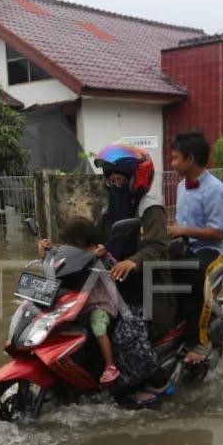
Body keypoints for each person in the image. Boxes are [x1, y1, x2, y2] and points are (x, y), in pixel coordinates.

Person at [92, 143, 177, 405]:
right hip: (113, 285)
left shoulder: (150, 209)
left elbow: (158, 247)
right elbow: (93, 239)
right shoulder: (108, 211)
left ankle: (160, 381)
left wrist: (133, 262)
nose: (115, 184)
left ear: (135, 180)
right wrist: (57, 249)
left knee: (125, 332)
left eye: (121, 180)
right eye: (111, 179)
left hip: (148, 289)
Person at [166, 132, 223, 365]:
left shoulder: (216, 190)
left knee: (198, 275)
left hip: (215, 252)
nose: (172, 164)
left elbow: (217, 232)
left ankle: (202, 341)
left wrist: (182, 231)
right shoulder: (182, 186)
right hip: (189, 248)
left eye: (175, 159)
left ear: (190, 159)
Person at [39, 217, 121, 386]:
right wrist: (48, 250)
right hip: (79, 302)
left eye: (70, 241)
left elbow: (114, 264)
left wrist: (104, 256)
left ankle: (109, 366)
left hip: (101, 302)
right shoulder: (72, 251)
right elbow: (59, 262)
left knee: (97, 323)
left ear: (79, 239)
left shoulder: (99, 250)